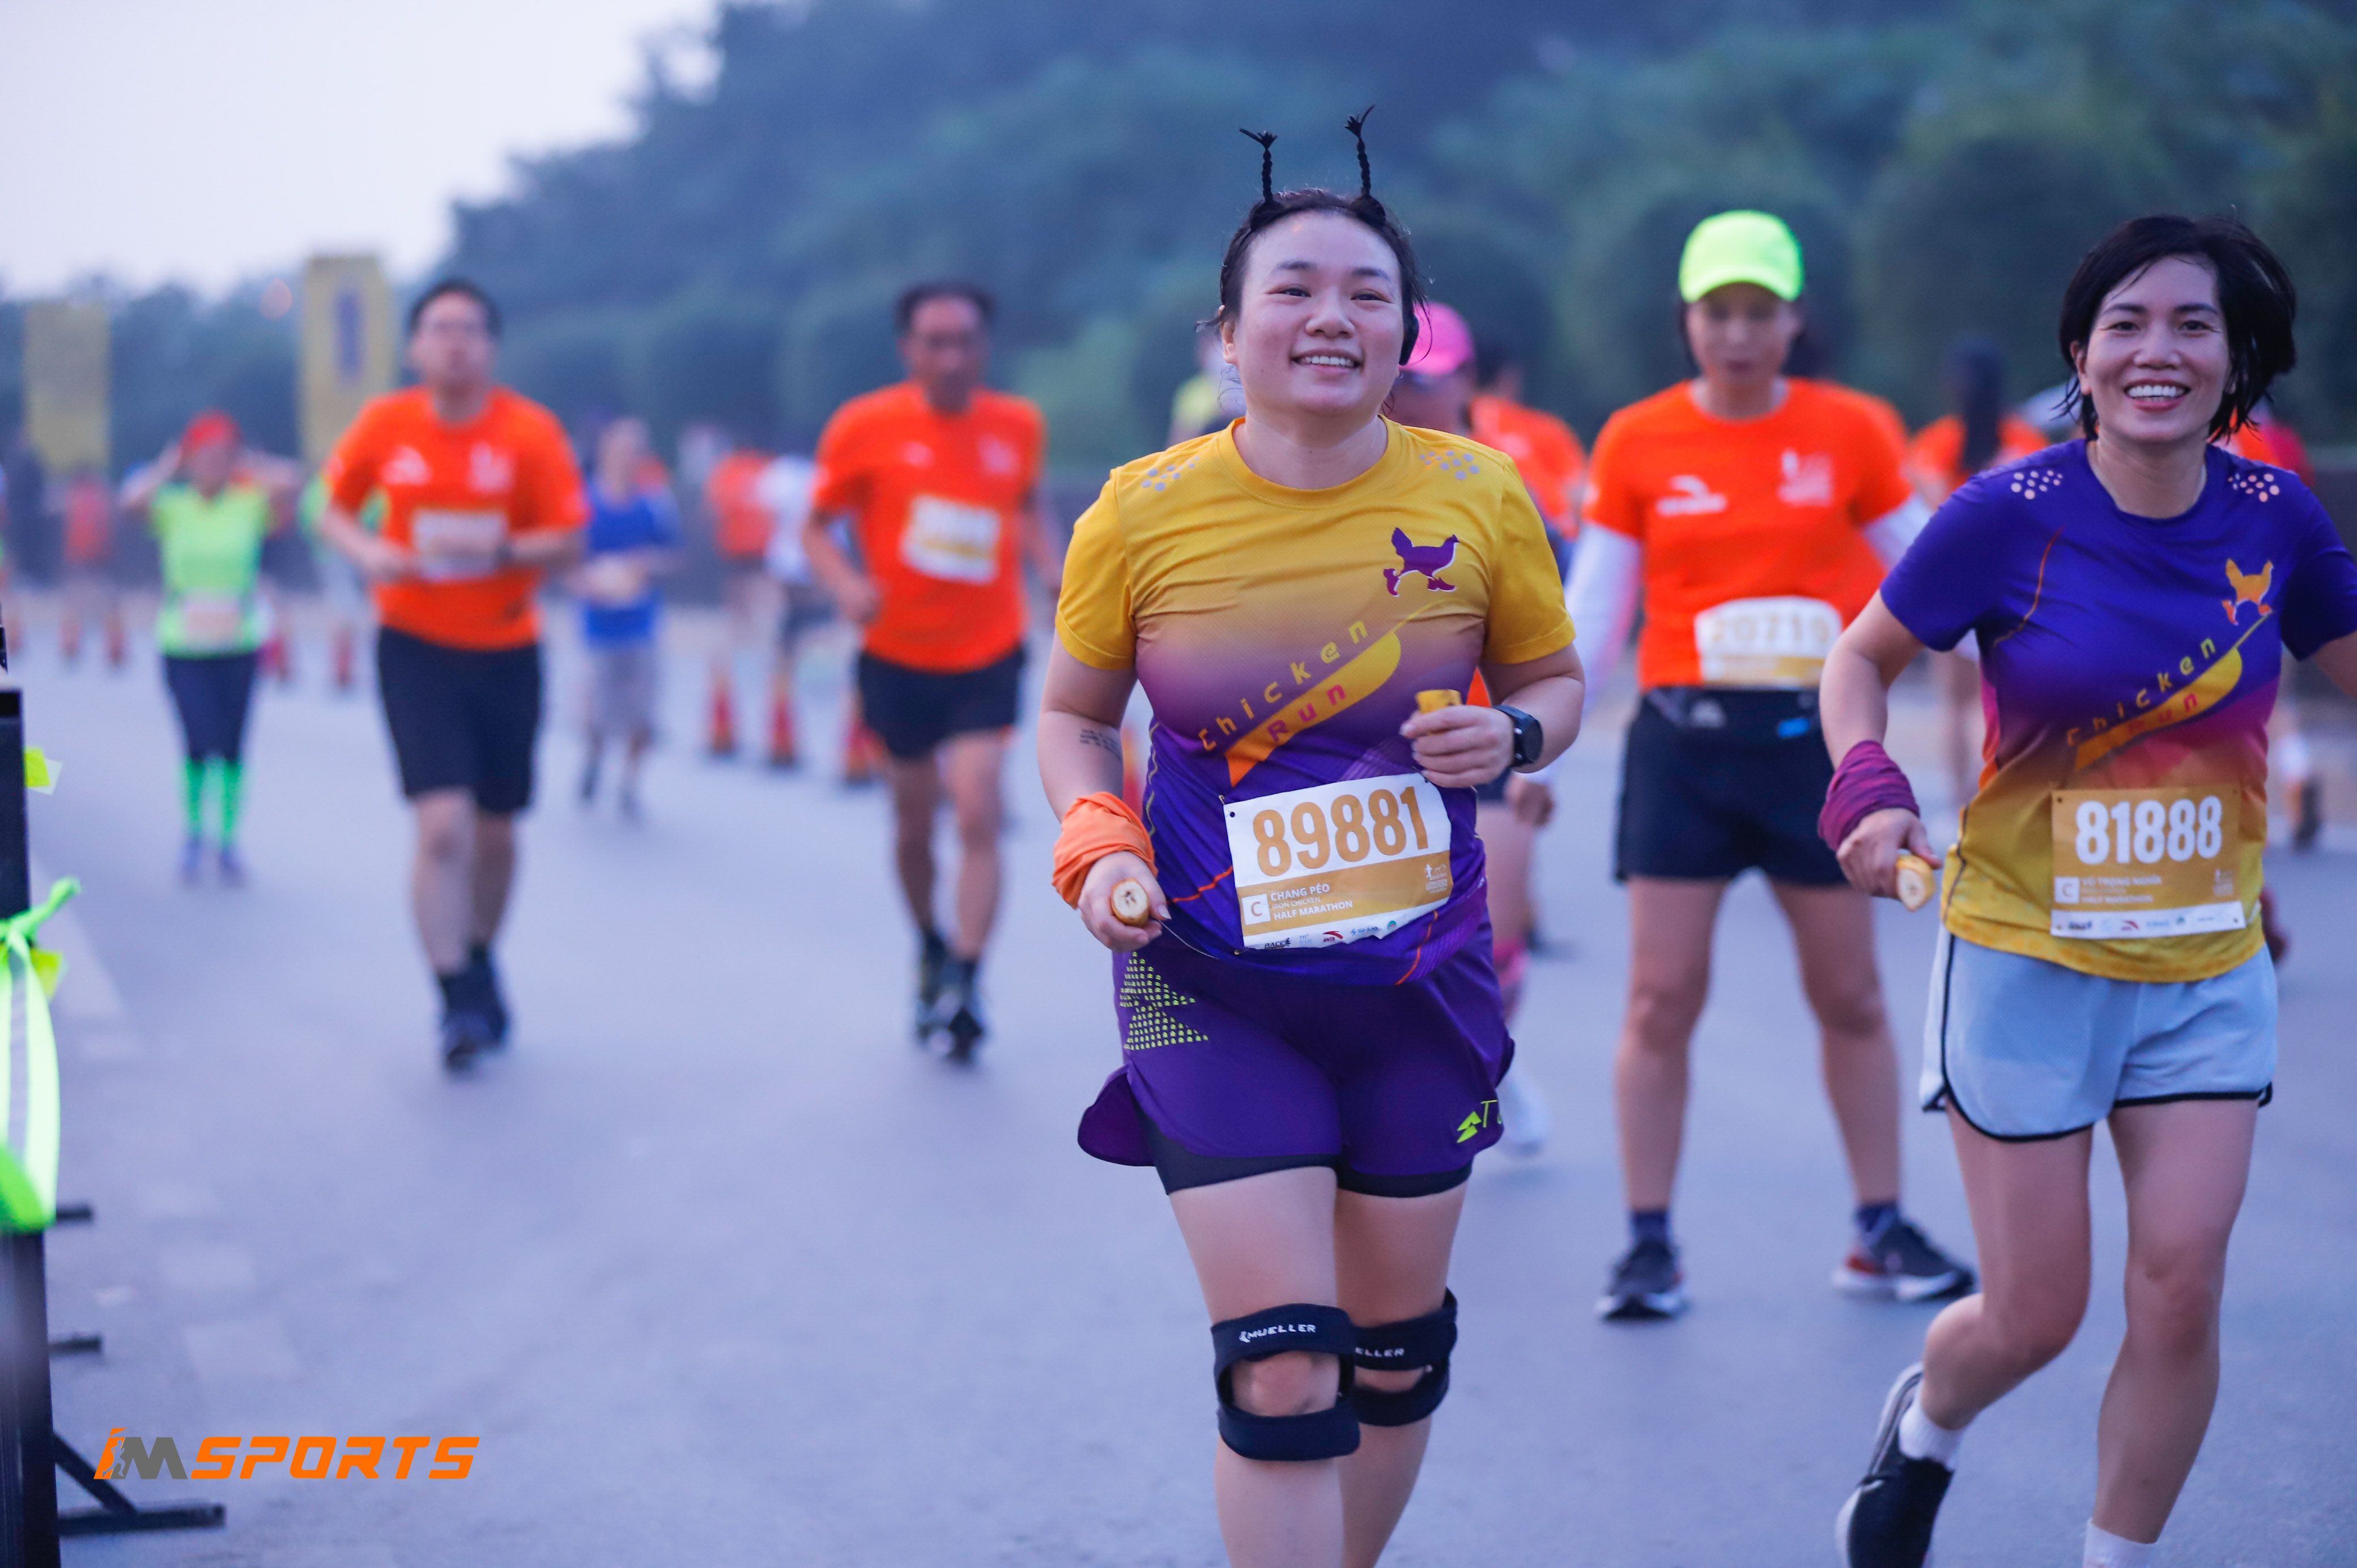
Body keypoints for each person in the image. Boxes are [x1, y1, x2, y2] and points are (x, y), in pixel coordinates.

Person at [1040, 117, 1584, 1568]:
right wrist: (1098, 842)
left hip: (1417, 989)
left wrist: (1514, 736)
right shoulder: (1140, 511)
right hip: (1210, 983)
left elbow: (1552, 681)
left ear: (1406, 334)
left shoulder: (1479, 496)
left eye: (1365, 293)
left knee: (1394, 1361)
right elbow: (1075, 715)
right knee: (1283, 1369)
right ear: (1230, 334)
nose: (1330, 315)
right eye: (1292, 289)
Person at [1824, 215, 2357, 1568]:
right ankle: (1929, 1425)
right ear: (2081, 354)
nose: (2155, 351)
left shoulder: (2277, 519)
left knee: (2178, 1294)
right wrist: (1868, 788)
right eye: (2125, 324)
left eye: (2192, 324)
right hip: (2023, 961)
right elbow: (1858, 660)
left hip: (2204, 969)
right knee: (2034, 1314)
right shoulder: (2006, 513)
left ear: (2236, 359)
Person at [1566, 209, 1973, 1320]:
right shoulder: (1637, 438)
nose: (1737, 333)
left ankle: (1877, 1227)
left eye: (1759, 311)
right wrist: (1534, 746)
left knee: (1849, 994)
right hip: (1682, 751)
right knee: (1660, 998)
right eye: (1718, 312)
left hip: (1812, 751)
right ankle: (1648, 1244)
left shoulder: (1851, 429)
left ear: (1794, 320)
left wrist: (2042, 664)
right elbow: (1596, 605)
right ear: (1687, 321)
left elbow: (1932, 568)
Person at [317, 279, 589, 1071]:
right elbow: (330, 508)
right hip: (416, 646)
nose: (455, 342)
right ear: (415, 346)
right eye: (440, 328)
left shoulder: (530, 432)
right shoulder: (385, 424)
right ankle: (455, 998)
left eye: (470, 329)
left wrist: (497, 551)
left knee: (497, 832)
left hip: (506, 647)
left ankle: (477, 954)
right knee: (442, 828)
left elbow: (570, 539)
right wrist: (369, 552)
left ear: (491, 347)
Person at [801, 279, 1060, 1056]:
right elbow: (816, 527)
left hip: (986, 650)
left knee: (978, 810)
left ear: (985, 347)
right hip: (896, 655)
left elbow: (1025, 504)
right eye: (934, 343)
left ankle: (968, 980)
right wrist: (846, 584)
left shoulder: (1017, 425)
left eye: (965, 342)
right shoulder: (863, 426)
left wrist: (1052, 569)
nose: (951, 358)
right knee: (914, 824)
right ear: (908, 349)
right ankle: (929, 943)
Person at [1386, 300, 1557, 1155]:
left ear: (1466, 380)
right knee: (1389, 944)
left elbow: (1558, 645)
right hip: (1376, 749)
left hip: (1485, 740)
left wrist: (1535, 754)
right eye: (1405, 378)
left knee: (1499, 935)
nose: (1417, 394)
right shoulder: (1341, 475)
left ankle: (1487, 1058)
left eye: (1433, 377)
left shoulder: (1500, 481)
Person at [117, 413, 301, 884]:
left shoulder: (248, 503)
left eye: (222, 455)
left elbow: (293, 482)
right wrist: (169, 467)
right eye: (204, 455)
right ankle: (195, 832)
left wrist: (246, 463)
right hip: (184, 643)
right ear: (189, 459)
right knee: (199, 741)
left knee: (233, 746)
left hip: (239, 642)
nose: (213, 464)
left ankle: (229, 840)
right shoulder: (173, 506)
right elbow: (130, 500)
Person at [1906, 338, 2053, 814]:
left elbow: (1927, 512)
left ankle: (1960, 803)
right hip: (2017, 587)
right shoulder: (2026, 442)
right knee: (2007, 698)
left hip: (1951, 584)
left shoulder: (1935, 443)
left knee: (1955, 703)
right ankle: (2001, 796)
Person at [575, 417, 679, 819]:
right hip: (598, 625)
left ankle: (630, 784)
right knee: (597, 710)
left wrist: (647, 564)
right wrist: (585, 581)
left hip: (641, 623)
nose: (628, 459)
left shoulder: (654, 504)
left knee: (643, 713)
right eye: (621, 450)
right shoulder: (584, 502)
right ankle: (594, 758)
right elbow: (567, 556)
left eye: (635, 451)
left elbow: (674, 555)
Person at [702, 438, 787, 762]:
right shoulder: (757, 469)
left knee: (751, 591)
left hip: (748, 545)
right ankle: (752, 633)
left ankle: (754, 633)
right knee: (748, 591)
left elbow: (714, 508)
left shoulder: (737, 471)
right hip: (745, 545)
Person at [1471, 339, 1586, 570]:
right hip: (1553, 551)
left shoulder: (1448, 429)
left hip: (1478, 548)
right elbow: (1580, 497)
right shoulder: (1544, 428)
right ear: (1509, 377)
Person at [756, 450, 828, 769]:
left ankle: (791, 667)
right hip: (802, 556)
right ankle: (791, 669)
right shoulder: (813, 473)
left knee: (800, 621)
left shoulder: (785, 473)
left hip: (792, 556)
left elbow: (768, 510)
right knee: (805, 620)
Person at [58, 465, 126, 668]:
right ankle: (108, 651)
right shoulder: (97, 497)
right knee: (97, 607)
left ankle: (76, 648)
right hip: (90, 560)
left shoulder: (77, 497)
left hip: (91, 561)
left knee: (80, 606)